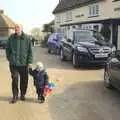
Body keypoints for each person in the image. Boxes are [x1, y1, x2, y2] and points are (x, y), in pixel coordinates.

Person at [6, 24, 33, 103]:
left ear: (21, 29)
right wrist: (9, 58)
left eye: (18, 29)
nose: (16, 31)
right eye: (15, 29)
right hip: (13, 64)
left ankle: (23, 94)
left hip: (24, 64)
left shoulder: (27, 38)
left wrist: (30, 62)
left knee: (24, 80)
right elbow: (7, 49)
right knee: (14, 79)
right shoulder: (11, 38)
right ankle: (15, 96)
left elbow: (30, 51)